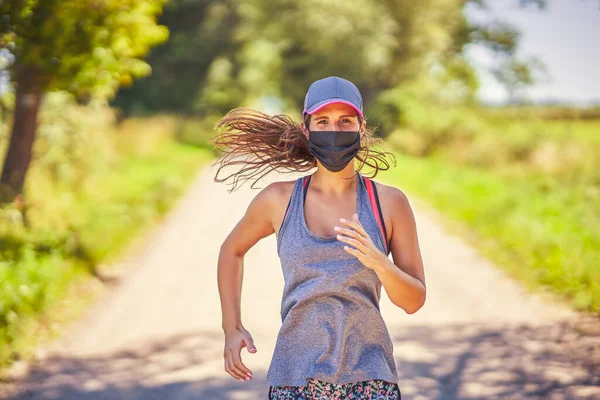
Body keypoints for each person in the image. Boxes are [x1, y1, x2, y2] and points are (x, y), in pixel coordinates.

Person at [214, 76, 426, 399]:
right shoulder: (279, 200)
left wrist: (380, 264)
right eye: (323, 121)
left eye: (345, 121)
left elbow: (414, 300)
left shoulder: (390, 203)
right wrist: (232, 327)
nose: (335, 131)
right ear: (307, 127)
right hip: (295, 381)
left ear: (361, 126)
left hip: (370, 382)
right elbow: (232, 250)